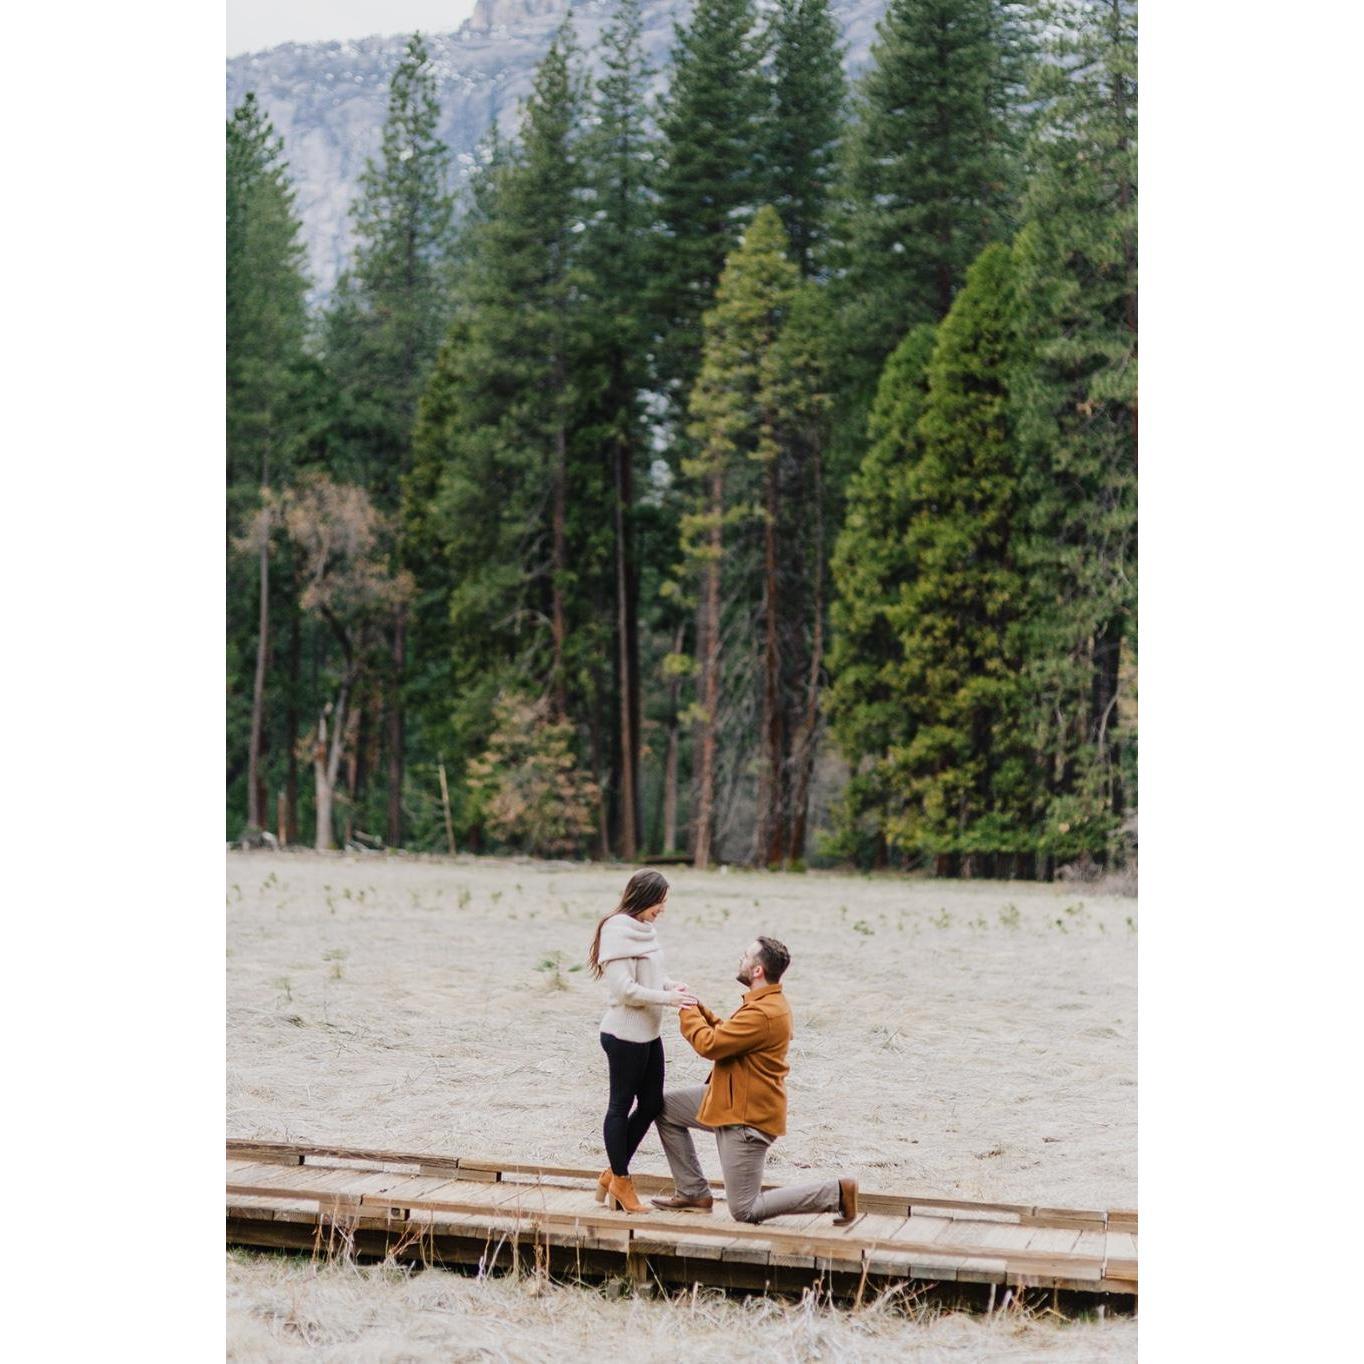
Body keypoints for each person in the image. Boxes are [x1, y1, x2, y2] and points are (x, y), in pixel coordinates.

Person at [650, 936, 858, 1225]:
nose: (741, 959)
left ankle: (836, 1192)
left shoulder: (764, 1012)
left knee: (745, 1209)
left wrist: (685, 1010)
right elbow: (728, 1032)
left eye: (746, 956)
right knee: (663, 1107)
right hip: (729, 1099)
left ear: (758, 970)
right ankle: (693, 1193)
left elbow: (710, 1044)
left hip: (746, 1118)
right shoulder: (765, 1003)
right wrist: (695, 1005)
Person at [587, 869, 697, 1214]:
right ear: (644, 897)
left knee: (651, 1104)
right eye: (659, 903)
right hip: (623, 1034)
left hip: (648, 1033)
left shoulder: (644, 930)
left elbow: (650, 976)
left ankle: (611, 1173)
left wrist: (670, 986)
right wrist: (669, 1001)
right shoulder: (616, 929)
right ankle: (621, 1178)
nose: (662, 910)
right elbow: (624, 990)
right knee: (620, 1106)